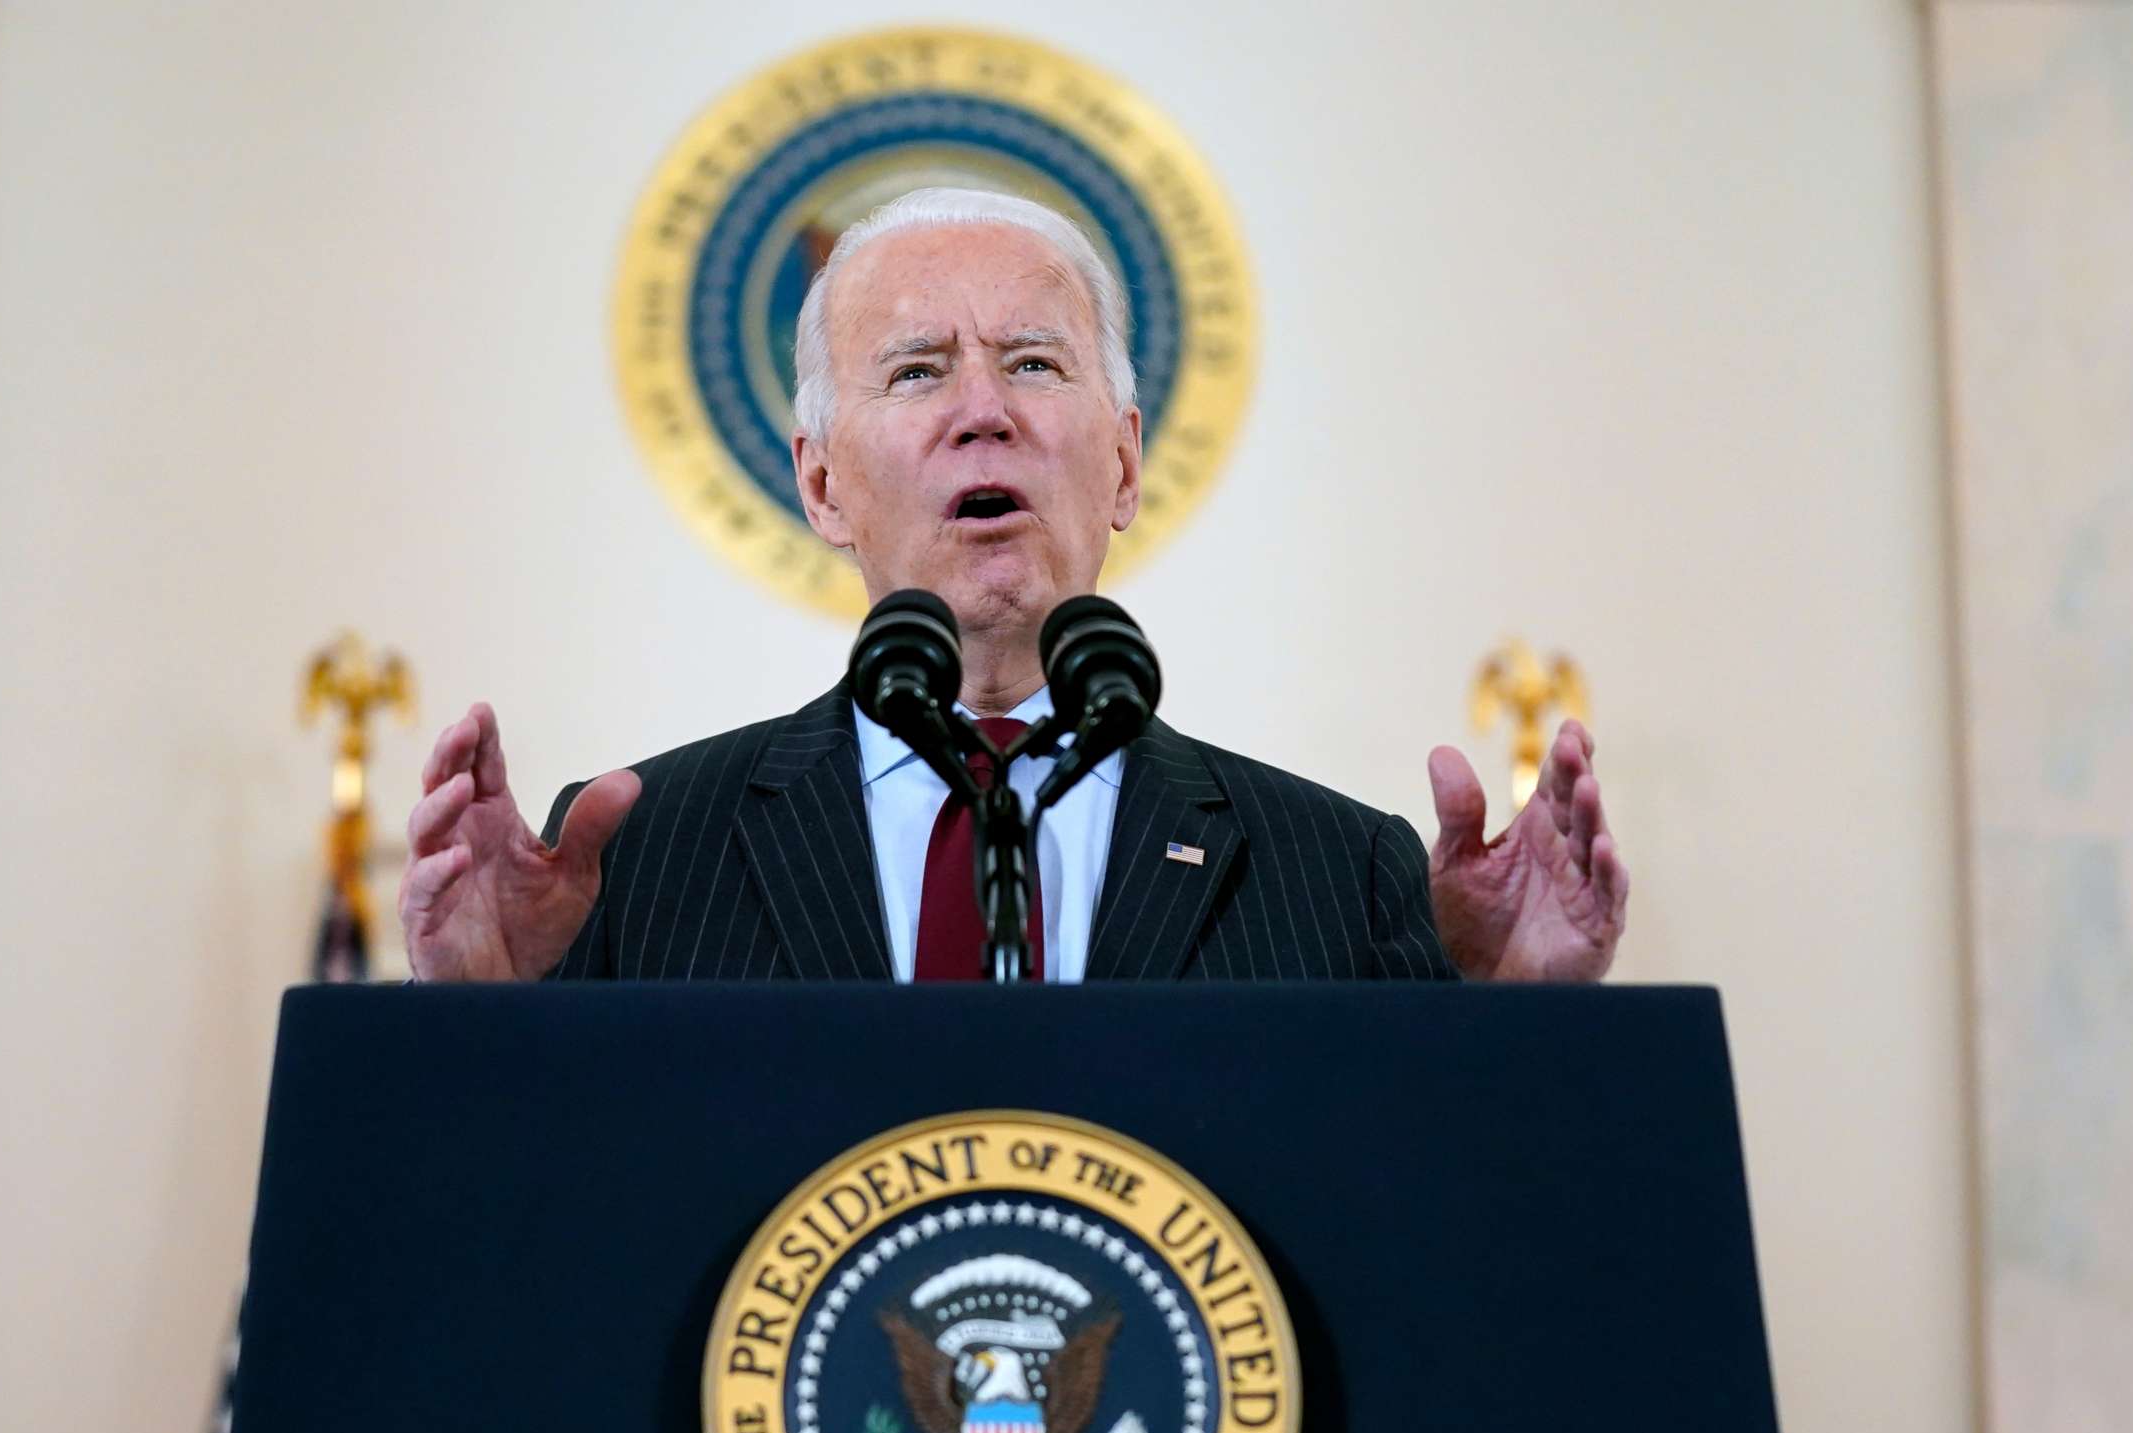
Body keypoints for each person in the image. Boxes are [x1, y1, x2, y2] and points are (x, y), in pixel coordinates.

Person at [399, 188, 1628, 985]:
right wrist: (475, 1017)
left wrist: (1510, 1023)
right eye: (919, 372)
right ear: (822, 485)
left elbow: (1426, 1269)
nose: (983, 412)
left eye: (1033, 363)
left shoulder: (1339, 875)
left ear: (1126, 461)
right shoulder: (638, 861)